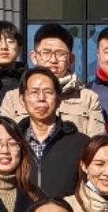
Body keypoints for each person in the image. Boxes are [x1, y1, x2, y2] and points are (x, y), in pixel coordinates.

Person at [0, 23, 108, 139]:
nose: (53, 60)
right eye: (46, 53)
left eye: (60, 54)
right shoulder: (13, 98)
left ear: (71, 59)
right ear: (34, 57)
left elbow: (96, 144)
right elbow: (3, 139)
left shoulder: (88, 98)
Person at [12, 67, 91, 198]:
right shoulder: (13, 142)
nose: (41, 98)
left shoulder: (81, 143)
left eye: (48, 92)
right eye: (34, 92)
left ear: (59, 99)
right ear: (22, 100)